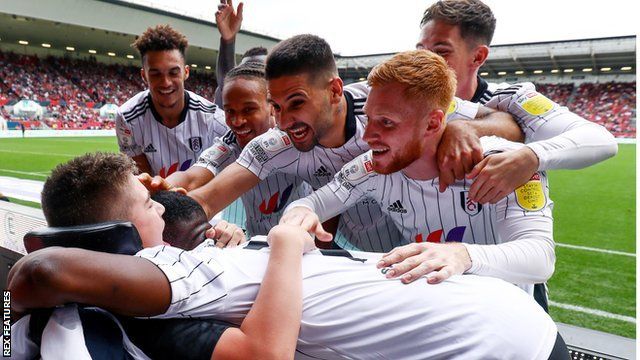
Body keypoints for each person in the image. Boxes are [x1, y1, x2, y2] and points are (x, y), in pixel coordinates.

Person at [9, 152, 569, 359]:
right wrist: (280, 243)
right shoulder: (164, 280)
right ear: (117, 238)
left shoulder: (187, 266)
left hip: (501, 327)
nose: (161, 205)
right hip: (501, 338)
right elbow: (40, 269)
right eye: (148, 206)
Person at [186, 34, 513, 252]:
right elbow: (206, 198)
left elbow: (506, 121)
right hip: (371, 263)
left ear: (334, 91)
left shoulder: (386, 104)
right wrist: (151, 206)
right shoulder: (276, 143)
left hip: (445, 256)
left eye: (297, 103)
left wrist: (465, 130)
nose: (284, 122)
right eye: (276, 106)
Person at [282, 50, 554, 296]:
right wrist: (301, 213)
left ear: (433, 123)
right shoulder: (372, 165)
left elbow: (540, 257)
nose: (368, 136)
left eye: (386, 122)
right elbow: (313, 203)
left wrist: (460, 255)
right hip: (433, 311)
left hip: (507, 322)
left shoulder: (504, 163)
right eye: (369, 119)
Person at [416, 0, 617, 202]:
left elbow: (601, 140)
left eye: (441, 51)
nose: (425, 60)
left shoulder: (511, 98)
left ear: (478, 57)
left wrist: (529, 157)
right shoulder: (404, 103)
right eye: (420, 50)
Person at [144, 62, 312, 238]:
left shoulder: (294, 139)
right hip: (255, 243)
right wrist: (163, 185)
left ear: (271, 106)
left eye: (248, 110)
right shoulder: (231, 141)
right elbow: (192, 176)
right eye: (229, 111)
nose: (237, 121)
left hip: (302, 242)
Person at [115, 24, 228, 177]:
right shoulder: (127, 118)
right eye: (155, 74)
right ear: (144, 76)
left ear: (186, 72)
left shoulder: (212, 117)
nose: (166, 82)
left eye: (173, 72)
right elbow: (144, 178)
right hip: (156, 198)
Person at [212, 0, 267, 107]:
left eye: (261, 74)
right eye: (246, 73)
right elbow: (227, 83)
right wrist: (228, 41)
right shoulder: (225, 94)